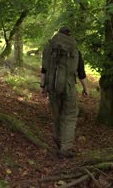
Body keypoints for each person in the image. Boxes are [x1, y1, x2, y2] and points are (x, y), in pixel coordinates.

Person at [40, 27, 89, 158]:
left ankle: (58, 139)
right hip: (69, 87)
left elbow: (44, 70)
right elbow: (81, 73)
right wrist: (86, 88)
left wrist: (43, 86)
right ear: (69, 36)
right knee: (70, 116)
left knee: (56, 114)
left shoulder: (49, 49)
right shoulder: (75, 50)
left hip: (52, 86)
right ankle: (65, 148)